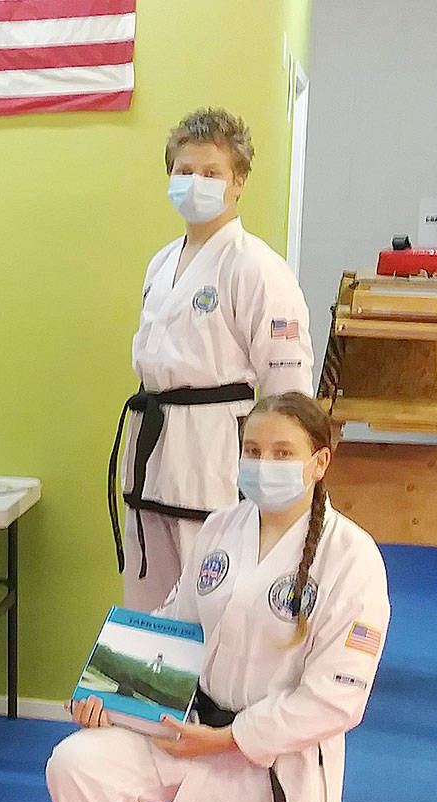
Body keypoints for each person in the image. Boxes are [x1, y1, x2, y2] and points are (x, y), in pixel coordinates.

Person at [51, 392, 390, 802]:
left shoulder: (352, 557)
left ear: (320, 462)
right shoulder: (221, 528)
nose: (265, 464)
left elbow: (336, 701)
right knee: (78, 763)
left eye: (284, 452)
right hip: (192, 729)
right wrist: (107, 691)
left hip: (272, 759)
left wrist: (230, 740)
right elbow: (174, 626)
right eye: (253, 450)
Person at [110, 107, 314, 613]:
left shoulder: (259, 268)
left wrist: (282, 471)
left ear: (238, 181)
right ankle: (145, 692)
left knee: (210, 598)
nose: (195, 182)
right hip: (152, 447)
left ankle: (213, 694)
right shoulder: (161, 264)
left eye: (211, 172)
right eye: (184, 171)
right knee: (147, 599)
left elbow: (288, 392)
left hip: (214, 454)